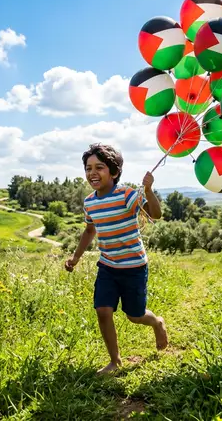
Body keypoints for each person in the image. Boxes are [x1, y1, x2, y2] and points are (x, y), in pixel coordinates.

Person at [64, 143, 168, 375]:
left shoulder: (127, 196)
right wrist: (76, 257)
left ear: (114, 172)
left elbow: (155, 215)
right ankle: (115, 361)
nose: (92, 173)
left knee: (135, 315)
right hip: (108, 266)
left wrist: (148, 191)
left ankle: (157, 323)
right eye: (88, 168)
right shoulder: (90, 202)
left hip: (134, 267)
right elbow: (90, 230)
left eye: (99, 167)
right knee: (102, 310)